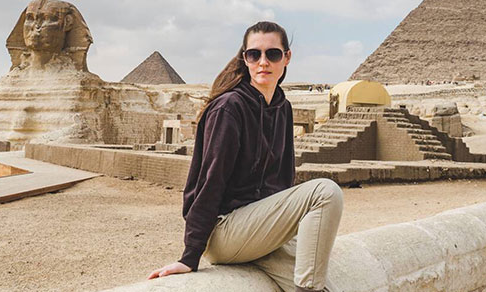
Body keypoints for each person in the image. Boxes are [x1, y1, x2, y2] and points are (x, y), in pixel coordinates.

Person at [147, 22, 343, 292]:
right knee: (325, 192)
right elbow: (210, 181)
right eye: (254, 54)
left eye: (272, 54)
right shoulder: (229, 108)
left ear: (287, 57)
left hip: (259, 229)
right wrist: (190, 256)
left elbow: (284, 179)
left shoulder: (282, 108)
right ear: (245, 58)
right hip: (224, 231)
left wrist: (288, 236)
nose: (263, 62)